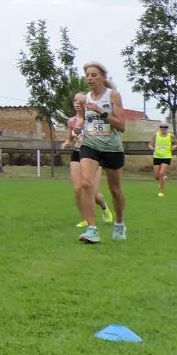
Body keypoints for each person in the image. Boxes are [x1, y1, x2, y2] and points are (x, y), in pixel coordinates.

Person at [75, 61, 127, 243]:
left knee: (115, 190)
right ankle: (92, 229)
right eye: (87, 75)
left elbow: (122, 126)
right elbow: (81, 122)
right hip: (90, 145)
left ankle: (119, 224)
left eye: (94, 75)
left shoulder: (113, 96)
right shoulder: (83, 99)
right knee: (86, 184)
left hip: (112, 147)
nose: (89, 78)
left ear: (103, 78)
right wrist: (77, 126)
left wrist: (101, 112)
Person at [62, 92, 112, 228]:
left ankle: (104, 207)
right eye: (75, 100)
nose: (77, 103)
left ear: (86, 103)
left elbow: (104, 134)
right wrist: (66, 142)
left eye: (80, 101)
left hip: (93, 155)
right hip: (77, 154)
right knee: (78, 189)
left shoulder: (92, 118)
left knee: (93, 193)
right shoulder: (71, 121)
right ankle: (85, 219)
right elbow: (69, 138)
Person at [147, 121, 177, 197]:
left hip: (166, 156)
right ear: (160, 128)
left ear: (167, 128)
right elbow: (150, 145)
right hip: (157, 156)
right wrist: (152, 148)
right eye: (161, 127)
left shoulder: (171, 136)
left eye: (165, 127)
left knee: (161, 174)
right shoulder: (155, 135)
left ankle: (161, 191)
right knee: (156, 176)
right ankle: (162, 178)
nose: (163, 128)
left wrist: (174, 146)